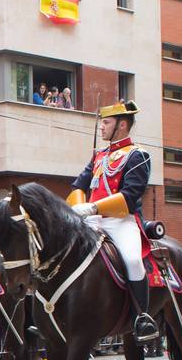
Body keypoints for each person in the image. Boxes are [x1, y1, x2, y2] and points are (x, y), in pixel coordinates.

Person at [68, 101, 159, 343]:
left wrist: (94, 206)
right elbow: (79, 185)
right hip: (91, 220)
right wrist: (78, 206)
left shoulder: (138, 155)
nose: (102, 128)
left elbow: (130, 196)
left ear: (122, 124)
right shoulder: (99, 156)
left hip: (121, 220)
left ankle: (142, 317)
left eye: (106, 123)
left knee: (132, 259)